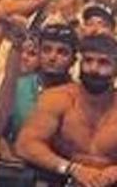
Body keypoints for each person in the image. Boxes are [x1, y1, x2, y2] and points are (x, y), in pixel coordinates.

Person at [16, 35, 117, 187]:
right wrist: (72, 168)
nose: (94, 69)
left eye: (103, 62)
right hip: (61, 181)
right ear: (79, 63)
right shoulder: (57, 98)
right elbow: (26, 145)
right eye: (88, 61)